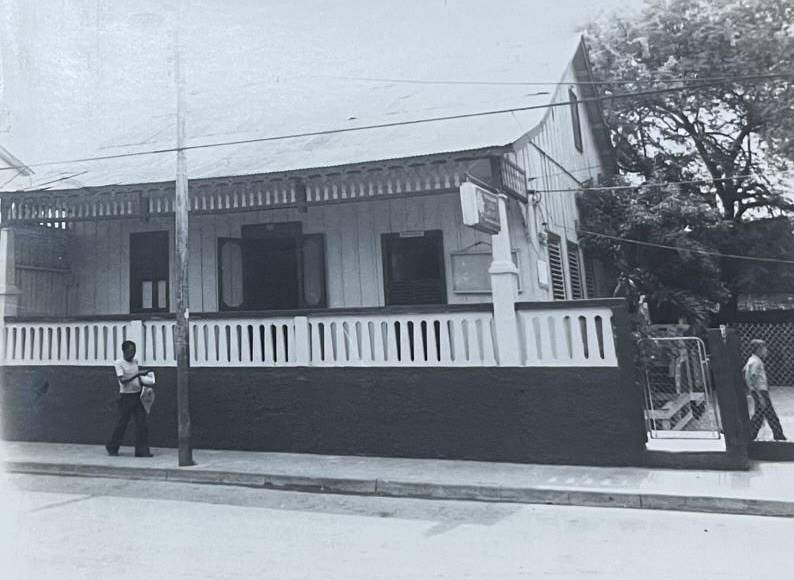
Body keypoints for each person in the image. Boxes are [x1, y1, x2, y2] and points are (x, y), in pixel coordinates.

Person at [105, 340, 154, 457]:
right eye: (129, 351)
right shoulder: (119, 363)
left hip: (137, 395)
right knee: (121, 423)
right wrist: (137, 374)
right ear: (124, 351)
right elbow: (122, 380)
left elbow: (136, 379)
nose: (131, 354)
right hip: (126, 397)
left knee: (141, 423)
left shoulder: (135, 362)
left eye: (133, 351)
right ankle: (112, 446)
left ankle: (141, 451)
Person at [744, 339, 787, 442]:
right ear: (758, 349)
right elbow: (752, 376)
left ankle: (750, 435)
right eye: (764, 348)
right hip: (760, 391)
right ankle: (778, 435)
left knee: (760, 415)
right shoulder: (756, 362)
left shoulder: (752, 360)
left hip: (759, 391)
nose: (766, 351)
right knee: (769, 414)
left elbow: (746, 373)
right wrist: (757, 393)